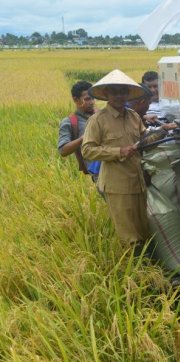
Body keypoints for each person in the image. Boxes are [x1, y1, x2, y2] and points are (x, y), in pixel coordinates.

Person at [81, 70, 151, 252]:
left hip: (138, 181)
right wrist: (118, 151)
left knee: (144, 230)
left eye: (123, 91)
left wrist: (162, 132)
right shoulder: (98, 120)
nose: (119, 95)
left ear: (128, 94)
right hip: (117, 185)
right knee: (130, 237)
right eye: (114, 91)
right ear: (106, 95)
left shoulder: (134, 116)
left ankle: (148, 267)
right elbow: (87, 150)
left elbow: (144, 138)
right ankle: (135, 275)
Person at [57, 81, 97, 180]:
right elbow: (63, 150)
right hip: (98, 174)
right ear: (76, 100)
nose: (92, 102)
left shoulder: (100, 115)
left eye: (93, 98)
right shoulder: (70, 122)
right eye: (87, 99)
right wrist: (84, 138)